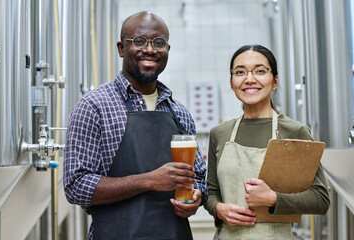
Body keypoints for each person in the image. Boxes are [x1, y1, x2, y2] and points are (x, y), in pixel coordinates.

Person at [63, 11, 207, 240]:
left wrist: (197, 197)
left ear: (167, 50)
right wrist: (149, 180)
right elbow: (76, 186)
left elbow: (199, 176)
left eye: (159, 43)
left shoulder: (179, 112)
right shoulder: (93, 106)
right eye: (139, 41)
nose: (150, 50)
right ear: (121, 48)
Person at [204, 44, 330, 239]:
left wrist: (273, 199)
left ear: (275, 81)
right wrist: (218, 208)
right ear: (231, 82)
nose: (249, 79)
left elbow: (320, 199)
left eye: (260, 71)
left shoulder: (294, 131)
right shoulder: (220, 133)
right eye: (240, 72)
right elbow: (211, 192)